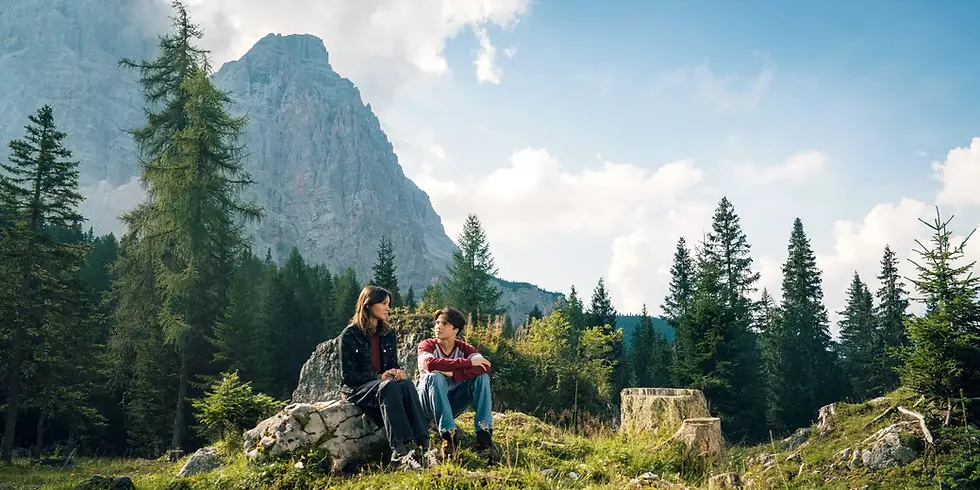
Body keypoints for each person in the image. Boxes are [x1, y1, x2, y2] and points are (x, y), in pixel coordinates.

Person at [339, 285, 429, 470]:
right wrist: (379, 376)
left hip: (383, 387)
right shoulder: (349, 335)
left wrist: (396, 372)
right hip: (357, 390)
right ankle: (400, 453)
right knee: (388, 387)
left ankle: (425, 447)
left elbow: (391, 365)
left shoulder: (388, 334)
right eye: (383, 303)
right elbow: (348, 377)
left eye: (389, 303)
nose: (388, 308)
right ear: (368, 305)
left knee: (405, 384)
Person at [416, 307, 500, 463]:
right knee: (436, 377)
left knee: (481, 377)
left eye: (444, 324)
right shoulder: (427, 345)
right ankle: (449, 437)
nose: (438, 327)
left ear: (455, 329)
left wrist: (455, 374)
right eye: (437, 323)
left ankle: (484, 435)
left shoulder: (464, 348)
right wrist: (467, 363)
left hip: (451, 405)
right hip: (426, 406)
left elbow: (485, 367)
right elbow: (429, 364)